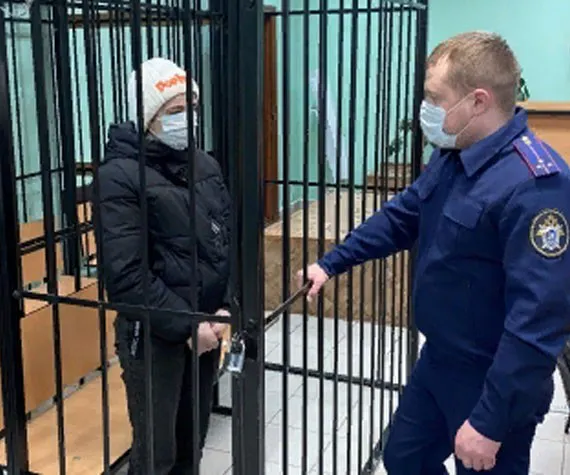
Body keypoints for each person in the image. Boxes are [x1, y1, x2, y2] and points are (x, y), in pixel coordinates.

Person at [298, 32, 570, 474]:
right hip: (441, 360)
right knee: (404, 457)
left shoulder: (536, 186)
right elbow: (402, 216)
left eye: (434, 97)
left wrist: (490, 421)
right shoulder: (453, 153)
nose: (425, 108)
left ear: (478, 101)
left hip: (493, 378)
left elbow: (538, 320)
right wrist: (332, 262)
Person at [96, 57, 232, 474]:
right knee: (157, 454)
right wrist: (188, 324)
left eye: (192, 106)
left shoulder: (204, 164)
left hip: (205, 329)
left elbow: (222, 242)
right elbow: (125, 276)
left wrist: (223, 309)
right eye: (175, 110)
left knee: (192, 443)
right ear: (148, 117)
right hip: (154, 334)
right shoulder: (119, 176)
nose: (187, 118)